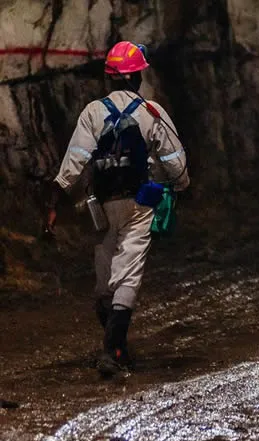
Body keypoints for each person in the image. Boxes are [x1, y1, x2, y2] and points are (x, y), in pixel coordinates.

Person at [44, 41, 189, 376]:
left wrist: (55, 199)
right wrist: (179, 187)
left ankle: (117, 346)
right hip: (140, 202)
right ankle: (113, 350)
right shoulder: (151, 112)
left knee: (105, 274)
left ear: (109, 78)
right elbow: (175, 162)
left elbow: (75, 160)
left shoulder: (93, 112)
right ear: (138, 76)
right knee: (129, 272)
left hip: (103, 203)